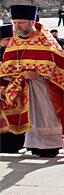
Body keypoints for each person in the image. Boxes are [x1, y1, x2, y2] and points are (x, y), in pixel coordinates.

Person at [0, 5, 64, 157]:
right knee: (29, 117)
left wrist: (37, 72)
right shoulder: (14, 41)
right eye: (15, 22)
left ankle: (50, 147)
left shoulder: (45, 39)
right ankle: (33, 145)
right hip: (22, 88)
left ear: (32, 21)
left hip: (44, 87)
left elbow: (61, 65)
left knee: (45, 115)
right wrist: (4, 84)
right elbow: (6, 66)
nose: (17, 26)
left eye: (21, 23)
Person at [0, 24, 26, 153]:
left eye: (12, 39)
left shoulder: (17, 52)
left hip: (17, 91)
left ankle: (18, 144)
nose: (10, 42)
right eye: (7, 40)